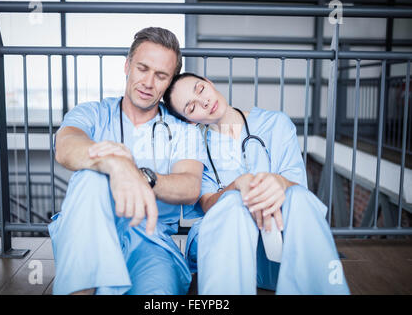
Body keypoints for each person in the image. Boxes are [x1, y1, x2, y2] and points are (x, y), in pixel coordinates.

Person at [49, 28, 207, 295]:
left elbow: (190, 187)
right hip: (91, 232)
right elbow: (65, 147)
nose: (148, 82)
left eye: (161, 76)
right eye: (142, 68)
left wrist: (138, 174)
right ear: (127, 65)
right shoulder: (93, 113)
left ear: (169, 82)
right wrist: (114, 164)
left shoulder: (183, 129)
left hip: (152, 239)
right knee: (89, 177)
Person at [162, 72, 350, 295]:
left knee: (298, 197)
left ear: (209, 83)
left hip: (279, 246)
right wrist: (238, 184)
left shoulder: (276, 124)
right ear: (190, 120)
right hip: (228, 249)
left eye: (200, 89)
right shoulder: (196, 147)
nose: (203, 102)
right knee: (232, 202)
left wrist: (277, 182)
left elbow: (297, 188)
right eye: (191, 107)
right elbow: (207, 203)